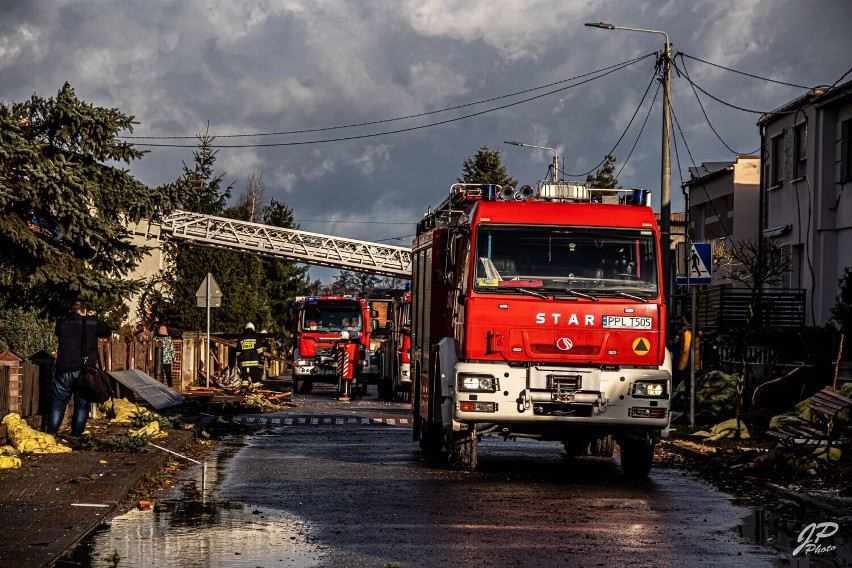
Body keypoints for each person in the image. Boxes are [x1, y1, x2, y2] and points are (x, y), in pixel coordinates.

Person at [47, 299, 111, 437]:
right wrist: (93, 317)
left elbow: (58, 331)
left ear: (71, 310)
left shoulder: (63, 323)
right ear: (84, 310)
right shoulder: (91, 323)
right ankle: (76, 434)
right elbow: (106, 331)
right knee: (82, 404)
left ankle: (51, 432)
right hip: (84, 370)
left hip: (64, 368)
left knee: (58, 402)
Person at [236, 322, 265, 387]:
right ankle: (255, 390)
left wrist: (239, 358)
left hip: (245, 362)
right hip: (254, 362)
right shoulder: (255, 336)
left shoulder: (242, 337)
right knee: (255, 377)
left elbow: (238, 351)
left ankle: (244, 389)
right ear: (253, 328)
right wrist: (261, 355)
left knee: (245, 377)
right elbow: (259, 349)